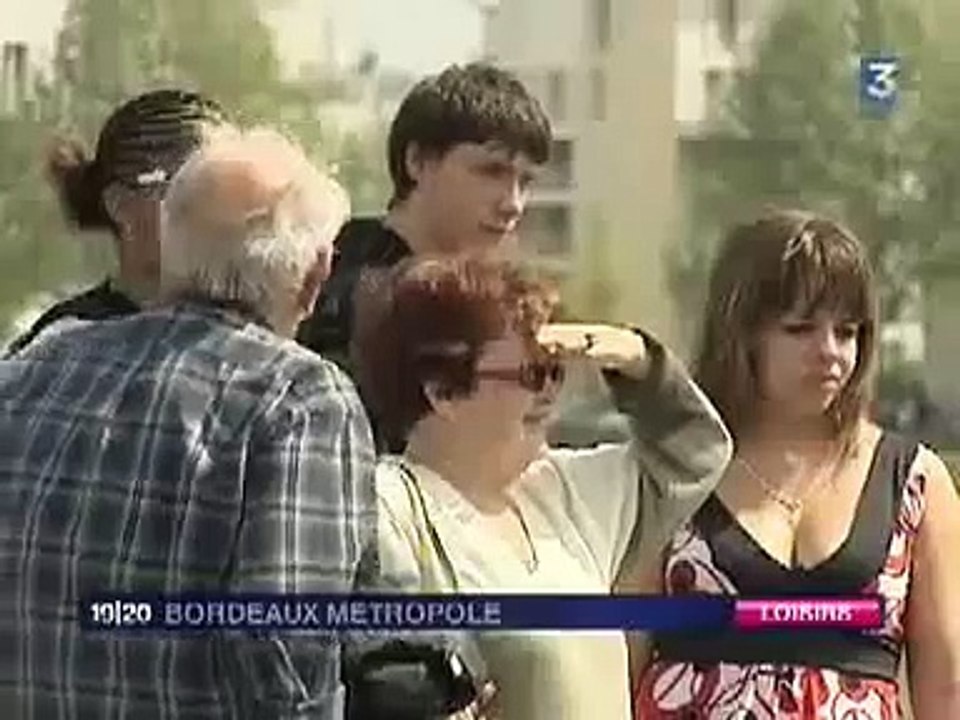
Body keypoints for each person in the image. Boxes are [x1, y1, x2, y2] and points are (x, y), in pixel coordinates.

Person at [0, 129, 377, 718]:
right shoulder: (300, 398)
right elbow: (284, 642)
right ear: (316, 273)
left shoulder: (32, 367)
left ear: (171, 244)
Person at [350, 253, 733, 720]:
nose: (551, 392)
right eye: (532, 374)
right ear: (442, 391)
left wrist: (637, 359)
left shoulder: (562, 490)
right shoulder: (388, 506)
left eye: (557, 371)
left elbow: (698, 451)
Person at [633, 209, 960, 719]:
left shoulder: (916, 482)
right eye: (801, 328)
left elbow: (947, 689)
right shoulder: (668, 471)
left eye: (847, 332)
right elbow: (616, 667)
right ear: (740, 336)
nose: (830, 352)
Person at [296, 62, 552, 376]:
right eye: (491, 171)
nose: (513, 204)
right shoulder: (346, 297)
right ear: (417, 162)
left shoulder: (476, 302)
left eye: (525, 182)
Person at [4, 88, 232, 355]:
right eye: (195, 186)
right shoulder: (62, 346)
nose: (226, 208)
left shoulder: (275, 327)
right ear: (120, 205)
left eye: (234, 188)